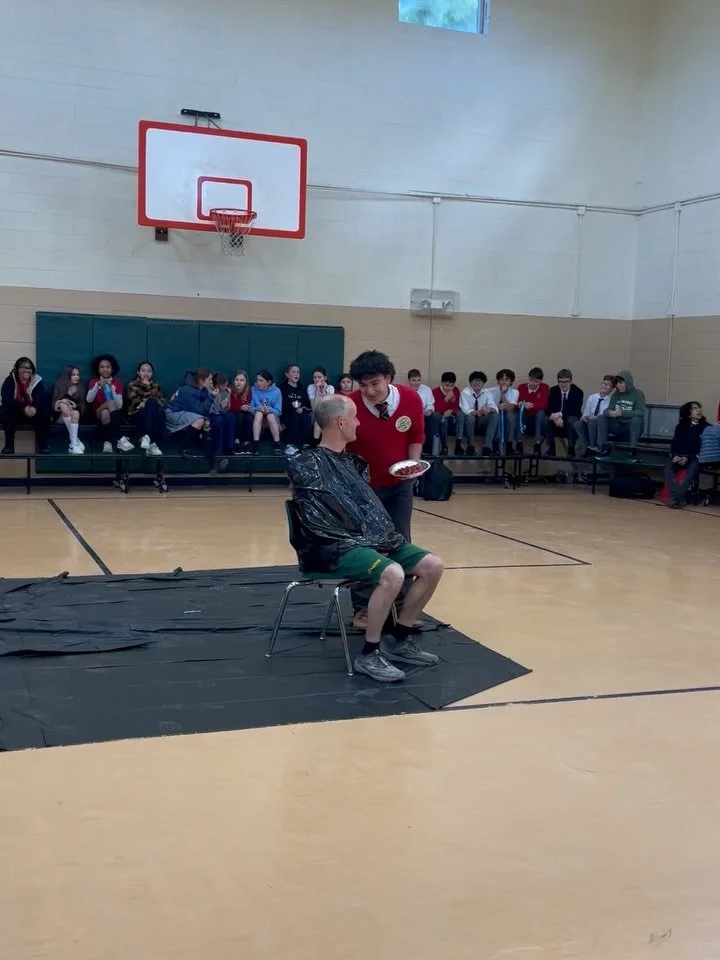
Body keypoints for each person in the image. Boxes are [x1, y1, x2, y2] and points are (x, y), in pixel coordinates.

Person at [288, 394, 444, 682]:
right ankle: (369, 654)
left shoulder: (353, 462)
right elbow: (324, 521)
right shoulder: (307, 463)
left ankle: (399, 639)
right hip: (331, 548)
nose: (359, 423)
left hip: (365, 541)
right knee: (393, 573)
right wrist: (363, 540)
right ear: (341, 422)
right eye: (355, 418)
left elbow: (362, 510)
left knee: (432, 566)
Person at [347, 349, 425, 630]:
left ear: (388, 378)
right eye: (363, 385)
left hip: (399, 486)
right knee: (364, 547)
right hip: (362, 489)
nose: (369, 391)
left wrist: (412, 468)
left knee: (401, 542)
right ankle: (362, 609)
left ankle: (401, 607)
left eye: (375, 383)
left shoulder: (411, 399)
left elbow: (416, 436)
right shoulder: (350, 404)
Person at [1, 357, 51, 455]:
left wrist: (34, 408)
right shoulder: (9, 381)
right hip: (17, 411)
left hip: (32, 412)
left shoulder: (36, 380)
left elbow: (41, 398)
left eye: (29, 368)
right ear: (16, 369)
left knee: (44, 413)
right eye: (23, 367)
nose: (27, 370)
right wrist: (23, 409)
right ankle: (9, 446)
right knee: (7, 412)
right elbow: (7, 401)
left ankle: (43, 446)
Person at [86, 354, 134, 454]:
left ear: (112, 369)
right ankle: (120, 438)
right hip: (97, 411)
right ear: (98, 369)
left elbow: (119, 406)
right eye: (102, 367)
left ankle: (107, 442)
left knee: (106, 413)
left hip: (111, 413)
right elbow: (89, 400)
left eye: (108, 367)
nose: (105, 369)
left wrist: (112, 389)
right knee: (108, 405)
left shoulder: (117, 383)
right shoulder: (94, 381)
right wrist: (97, 386)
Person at [664, 401, 708, 508]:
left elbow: (703, 448)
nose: (699, 410)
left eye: (699, 408)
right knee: (667, 468)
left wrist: (687, 457)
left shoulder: (706, 427)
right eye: (695, 408)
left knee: (690, 473)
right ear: (688, 413)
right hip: (679, 456)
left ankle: (675, 499)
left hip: (695, 457)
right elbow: (674, 444)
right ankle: (679, 498)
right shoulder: (680, 426)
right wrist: (675, 456)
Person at [595, 370, 646, 462]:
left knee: (636, 419)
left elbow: (640, 412)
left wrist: (621, 413)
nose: (618, 385)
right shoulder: (616, 394)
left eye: (621, 383)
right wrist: (610, 413)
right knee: (601, 417)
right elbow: (607, 410)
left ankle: (633, 451)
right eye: (617, 383)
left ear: (628, 382)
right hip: (618, 426)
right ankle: (604, 448)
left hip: (632, 428)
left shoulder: (638, 394)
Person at [166, 368, 214, 458]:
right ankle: (183, 448)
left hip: (185, 412)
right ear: (201, 380)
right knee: (199, 420)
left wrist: (207, 419)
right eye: (209, 379)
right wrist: (212, 397)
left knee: (205, 421)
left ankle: (199, 448)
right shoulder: (186, 390)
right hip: (173, 413)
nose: (211, 382)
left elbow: (204, 409)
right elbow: (199, 410)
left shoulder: (203, 390)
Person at [126, 361, 165, 456]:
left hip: (154, 414)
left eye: (149, 371)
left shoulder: (156, 386)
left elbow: (162, 401)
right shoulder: (133, 384)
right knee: (150, 403)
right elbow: (135, 401)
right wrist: (146, 387)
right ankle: (152, 443)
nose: (146, 373)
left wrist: (145, 400)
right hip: (137, 413)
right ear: (138, 372)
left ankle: (147, 438)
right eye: (143, 370)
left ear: (152, 373)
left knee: (153, 405)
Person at [458, 371, 499, 456]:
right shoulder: (465, 392)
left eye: (479, 381)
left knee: (494, 416)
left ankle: (487, 447)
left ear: (483, 383)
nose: (477, 383)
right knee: (470, 417)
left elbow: (495, 408)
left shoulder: (487, 392)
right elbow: (466, 410)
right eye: (474, 381)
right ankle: (471, 446)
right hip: (468, 422)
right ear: (470, 383)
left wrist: (489, 409)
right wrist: (480, 411)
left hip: (481, 420)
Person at [544, 369, 583, 457]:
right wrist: (555, 417)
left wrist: (560, 415)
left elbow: (575, 410)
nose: (563, 384)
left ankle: (571, 448)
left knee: (571, 419)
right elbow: (548, 408)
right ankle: (551, 448)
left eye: (566, 381)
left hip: (571, 417)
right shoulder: (553, 390)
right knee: (546, 418)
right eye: (561, 381)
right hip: (556, 420)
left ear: (571, 381)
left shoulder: (578, 392)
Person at [573, 374, 615, 455]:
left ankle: (593, 447)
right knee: (577, 423)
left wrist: (594, 418)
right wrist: (584, 417)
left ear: (612, 389)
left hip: (601, 426)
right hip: (589, 422)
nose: (605, 386)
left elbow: (605, 417)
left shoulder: (611, 400)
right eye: (603, 383)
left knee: (593, 422)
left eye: (608, 385)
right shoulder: (592, 397)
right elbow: (586, 413)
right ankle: (585, 446)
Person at [52, 365, 85, 454]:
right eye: (73, 375)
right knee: (63, 405)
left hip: (74, 418)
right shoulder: (59, 385)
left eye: (78, 375)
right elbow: (54, 405)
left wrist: (71, 404)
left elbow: (81, 407)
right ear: (67, 375)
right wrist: (63, 401)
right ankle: (75, 440)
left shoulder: (80, 387)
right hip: (59, 417)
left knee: (75, 413)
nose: (76, 377)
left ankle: (73, 445)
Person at [279, 364, 312, 455]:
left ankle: (306, 445)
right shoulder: (282, 388)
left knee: (306, 416)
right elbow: (282, 405)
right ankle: (290, 445)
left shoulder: (302, 388)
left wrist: (300, 408)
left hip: (301, 414)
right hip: (287, 416)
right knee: (294, 416)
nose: (296, 374)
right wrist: (294, 406)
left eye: (298, 372)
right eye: (293, 372)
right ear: (287, 374)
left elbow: (306, 404)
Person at [516, 367, 548, 454]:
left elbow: (544, 404)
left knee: (541, 413)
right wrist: (521, 404)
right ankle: (519, 442)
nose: (532, 383)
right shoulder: (521, 387)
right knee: (520, 412)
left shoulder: (544, 387)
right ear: (528, 378)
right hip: (525, 416)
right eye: (530, 380)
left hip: (537, 418)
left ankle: (537, 443)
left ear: (540, 381)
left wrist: (533, 405)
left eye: (536, 381)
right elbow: (517, 403)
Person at [407, 368, 439, 456]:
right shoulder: (405, 391)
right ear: (409, 381)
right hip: (412, 416)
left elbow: (430, 404)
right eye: (413, 380)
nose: (416, 383)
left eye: (418, 380)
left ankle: (428, 451)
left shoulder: (426, 389)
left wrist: (429, 410)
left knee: (434, 418)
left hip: (425, 414)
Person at [251, 369, 282, 454]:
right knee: (258, 414)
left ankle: (277, 444)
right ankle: (256, 444)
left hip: (271, 416)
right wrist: (259, 408)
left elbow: (278, 410)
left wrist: (269, 409)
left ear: (268, 382)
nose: (258, 383)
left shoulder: (276, 391)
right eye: (257, 380)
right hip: (257, 415)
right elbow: (251, 407)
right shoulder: (253, 389)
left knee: (270, 416)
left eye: (261, 380)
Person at [488, 369, 519, 454]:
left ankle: (509, 446)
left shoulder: (515, 392)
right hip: (494, 415)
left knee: (511, 416)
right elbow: (490, 407)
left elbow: (510, 408)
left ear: (511, 382)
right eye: (501, 379)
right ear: (498, 381)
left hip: (507, 415)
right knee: (496, 416)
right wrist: (498, 407)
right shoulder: (490, 391)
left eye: (507, 380)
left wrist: (502, 394)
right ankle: (495, 447)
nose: (504, 382)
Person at [432, 371, 462, 456]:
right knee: (443, 421)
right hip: (441, 416)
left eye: (452, 385)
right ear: (442, 383)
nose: (449, 388)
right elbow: (437, 409)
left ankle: (458, 444)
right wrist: (446, 399)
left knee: (460, 414)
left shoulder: (455, 390)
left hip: (452, 415)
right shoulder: (435, 392)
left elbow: (457, 407)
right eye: (447, 385)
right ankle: (444, 446)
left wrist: (451, 410)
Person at [307, 366, 335, 441]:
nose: (317, 379)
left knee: (320, 420)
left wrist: (323, 391)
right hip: (315, 413)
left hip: (327, 412)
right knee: (318, 420)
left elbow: (327, 405)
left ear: (325, 378)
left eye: (319, 377)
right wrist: (317, 391)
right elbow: (314, 408)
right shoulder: (311, 387)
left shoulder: (330, 388)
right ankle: (315, 444)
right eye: (315, 377)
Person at [229, 370, 253, 454]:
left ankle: (247, 442)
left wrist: (247, 407)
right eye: (237, 380)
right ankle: (236, 441)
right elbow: (229, 406)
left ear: (245, 382)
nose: (239, 382)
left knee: (248, 417)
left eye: (242, 380)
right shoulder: (229, 390)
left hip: (244, 412)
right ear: (233, 381)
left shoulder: (248, 391)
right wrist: (240, 407)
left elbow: (248, 403)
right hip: (232, 412)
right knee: (239, 416)